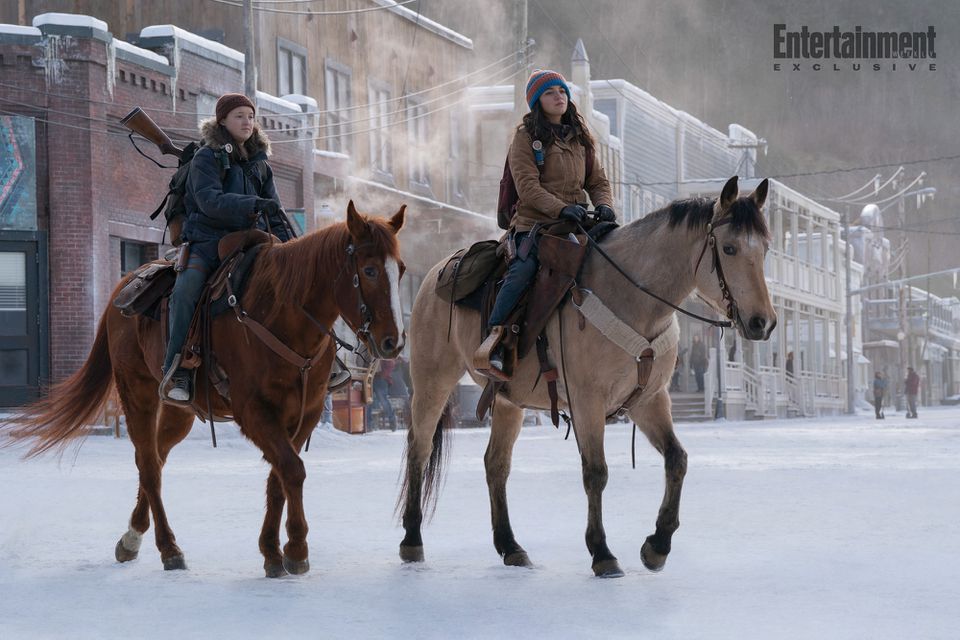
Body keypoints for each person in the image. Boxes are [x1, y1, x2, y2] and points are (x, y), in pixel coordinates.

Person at [478, 69, 615, 378]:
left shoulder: (581, 139)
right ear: (537, 100)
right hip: (535, 224)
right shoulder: (525, 138)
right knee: (523, 269)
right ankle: (495, 341)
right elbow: (527, 187)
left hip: (577, 223)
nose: (559, 96)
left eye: (562, 91)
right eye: (551, 92)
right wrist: (561, 208)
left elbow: (598, 182)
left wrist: (604, 205)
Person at [160, 93, 293, 402]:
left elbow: (275, 212)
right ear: (222, 121)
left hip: (253, 242)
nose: (247, 121)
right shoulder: (207, 157)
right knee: (185, 292)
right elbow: (208, 201)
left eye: (250, 115)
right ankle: (177, 369)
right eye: (239, 116)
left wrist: (292, 249)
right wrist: (253, 204)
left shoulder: (261, 164)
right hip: (208, 241)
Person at [366, 358, 398, 432]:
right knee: (368, 401)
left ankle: (392, 420)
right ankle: (368, 425)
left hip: (380, 378)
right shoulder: (365, 349)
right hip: (369, 377)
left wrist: (383, 374)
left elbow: (391, 362)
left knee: (383, 401)